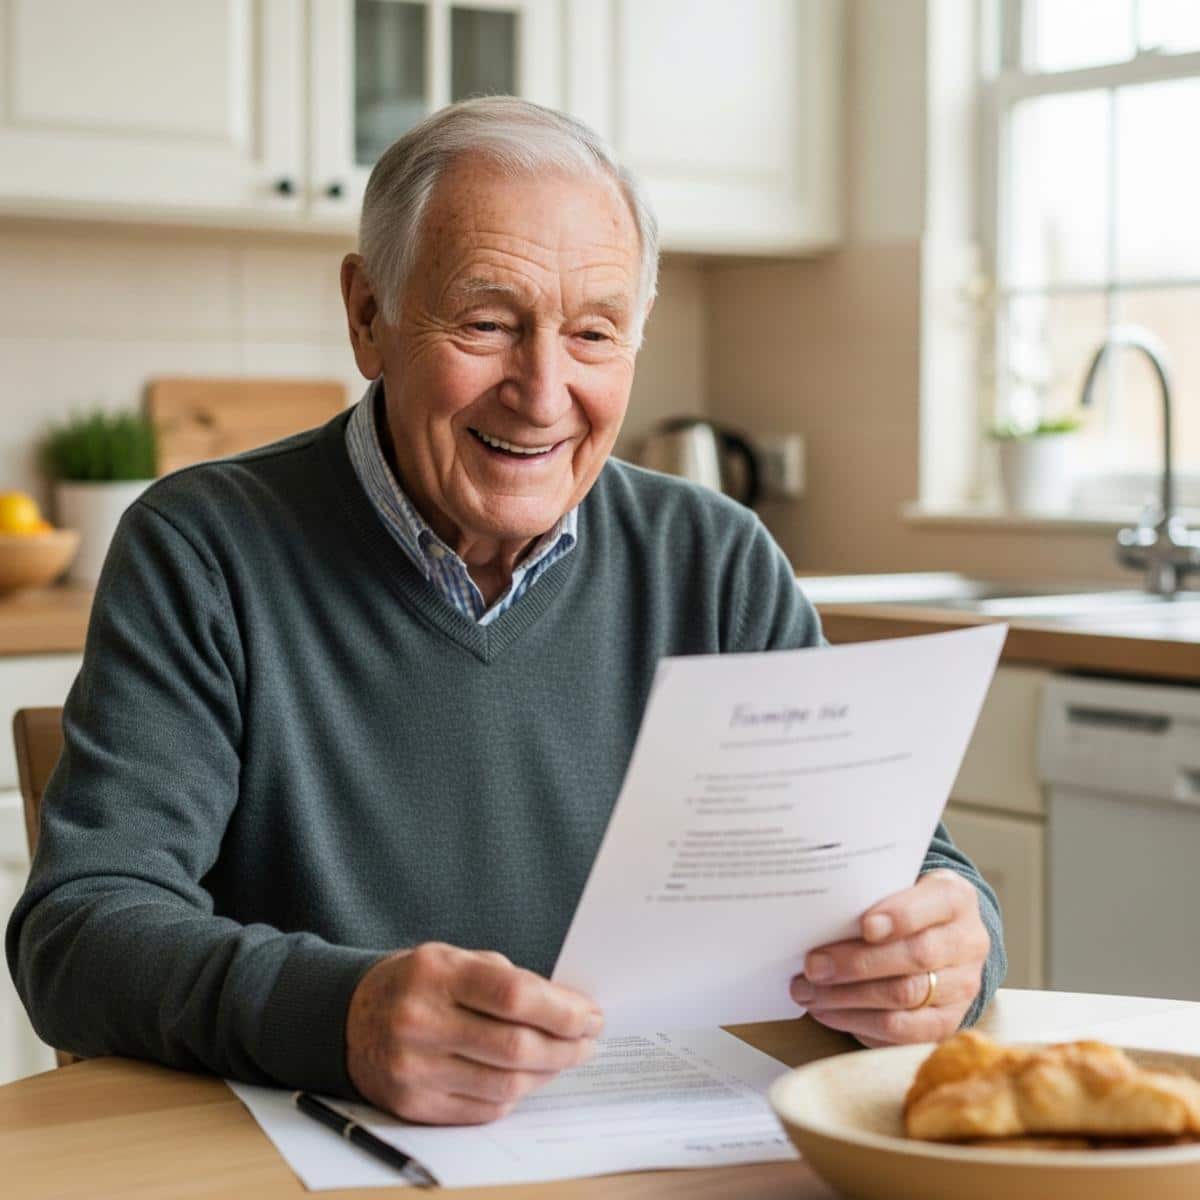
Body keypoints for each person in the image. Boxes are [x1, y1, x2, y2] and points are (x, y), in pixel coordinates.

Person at [7, 98, 1004, 1125]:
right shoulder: (206, 547)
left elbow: (907, 872)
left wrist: (947, 949)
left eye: (593, 334)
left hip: (659, 1155)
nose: (541, 390)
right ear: (367, 317)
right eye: (486, 323)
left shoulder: (717, 559)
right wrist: (343, 1016)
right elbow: (78, 935)